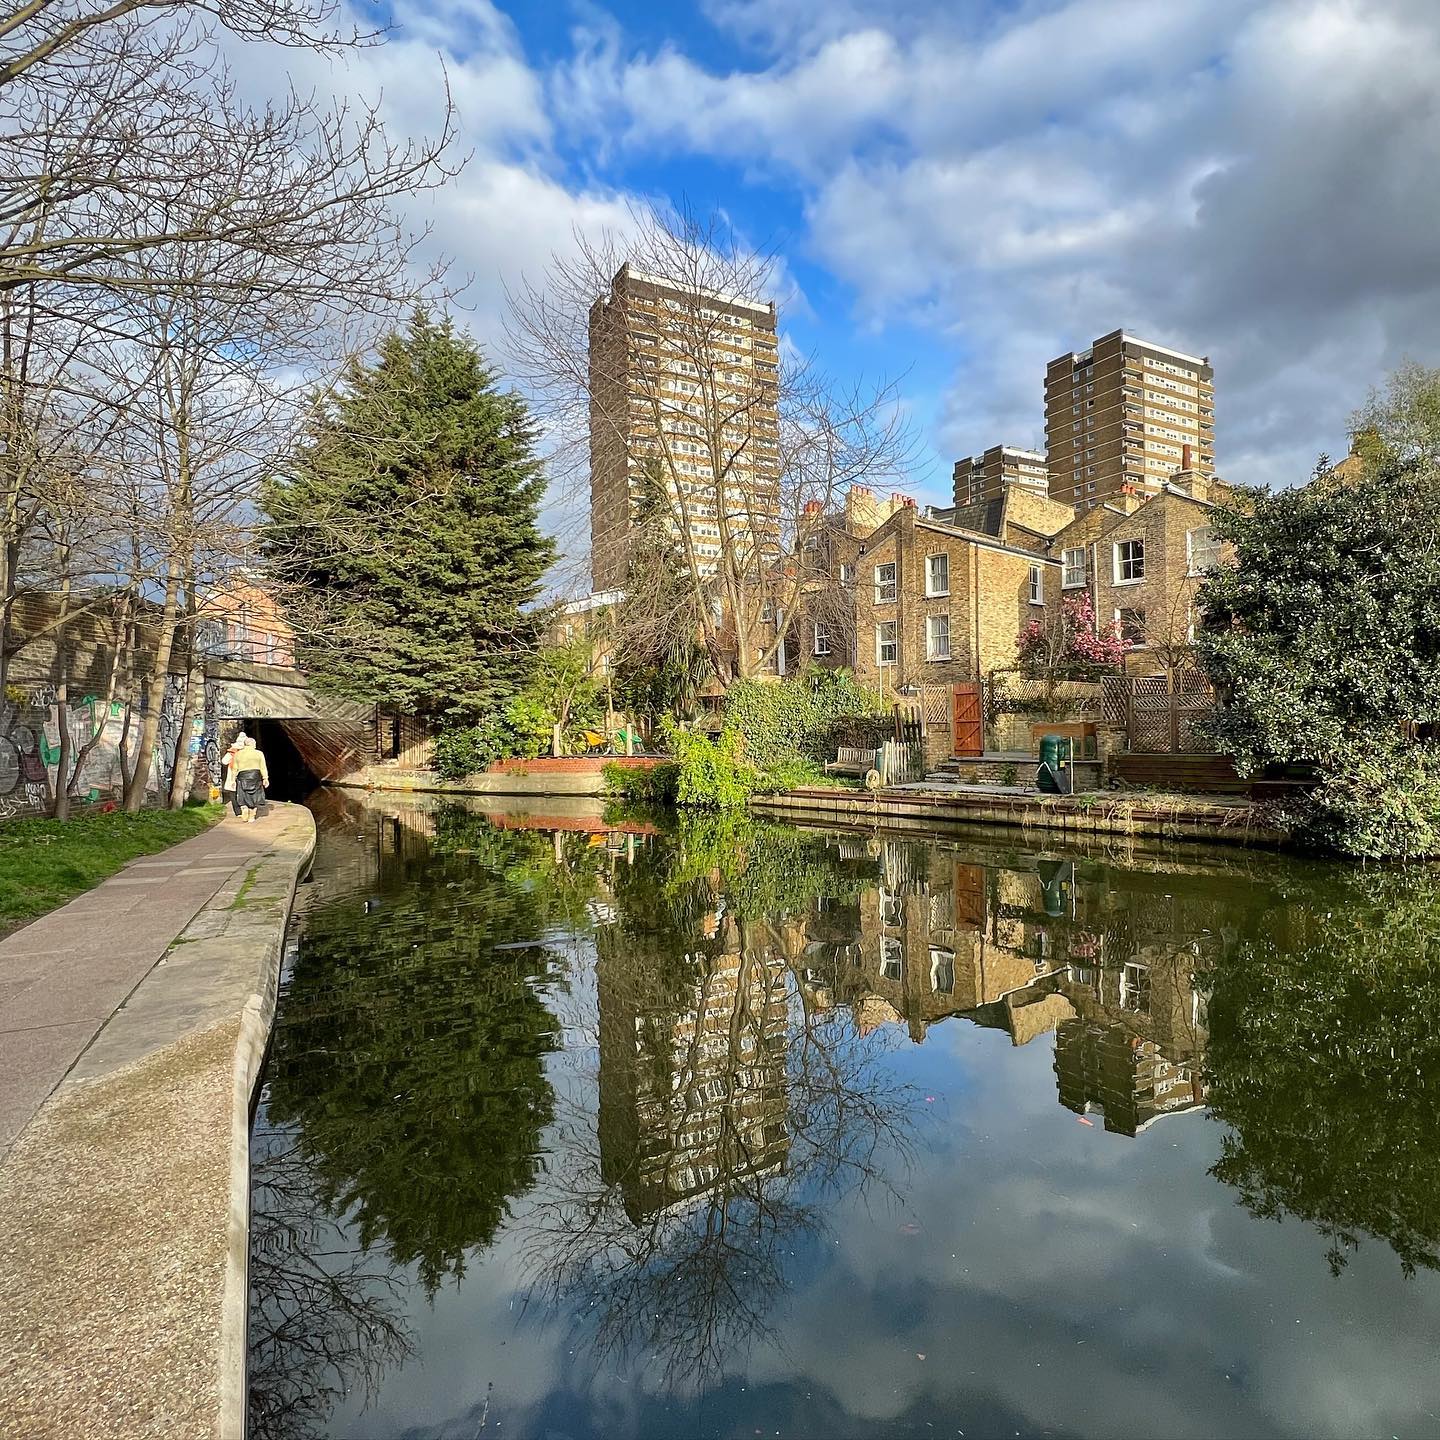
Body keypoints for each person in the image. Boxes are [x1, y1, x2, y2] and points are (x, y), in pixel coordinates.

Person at [230, 734, 269, 823]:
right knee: (254, 796)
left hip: (242, 776)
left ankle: (244, 808)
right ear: (253, 744)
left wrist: (233, 780)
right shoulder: (259, 753)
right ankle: (252, 815)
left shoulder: (238, 754)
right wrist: (265, 778)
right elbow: (263, 767)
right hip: (255, 776)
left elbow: (235, 768)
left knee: (242, 795)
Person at [221, 730, 251, 817]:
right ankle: (246, 807)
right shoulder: (248, 752)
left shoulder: (232, 752)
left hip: (233, 775)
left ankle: (238, 812)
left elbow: (224, 761)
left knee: (233, 793)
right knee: (245, 792)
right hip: (245, 774)